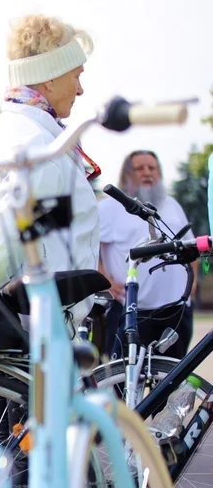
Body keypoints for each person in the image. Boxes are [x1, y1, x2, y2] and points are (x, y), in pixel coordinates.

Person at [0, 15, 99, 327]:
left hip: (13, 313)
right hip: (35, 320)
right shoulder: (38, 143)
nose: (81, 89)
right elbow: (9, 233)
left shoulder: (4, 130)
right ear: (50, 78)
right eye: (76, 76)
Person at [99, 150, 196, 359]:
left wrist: (193, 282)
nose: (147, 173)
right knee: (123, 381)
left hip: (175, 309)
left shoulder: (172, 205)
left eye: (152, 168)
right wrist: (105, 281)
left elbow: (191, 245)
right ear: (127, 174)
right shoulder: (109, 207)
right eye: (139, 168)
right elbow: (91, 247)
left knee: (172, 379)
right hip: (132, 310)